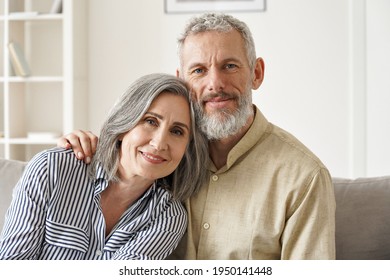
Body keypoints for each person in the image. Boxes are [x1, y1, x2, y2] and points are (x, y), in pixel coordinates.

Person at [57, 13, 336, 260]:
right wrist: (85, 148)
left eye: (229, 66)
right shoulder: (160, 157)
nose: (215, 83)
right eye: (199, 70)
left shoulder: (304, 177)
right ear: (183, 82)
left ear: (257, 73)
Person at [0, 73, 209, 260]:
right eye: (151, 121)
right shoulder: (52, 168)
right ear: (124, 126)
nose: (159, 143)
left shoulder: (167, 217)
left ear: (187, 150)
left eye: (177, 131)